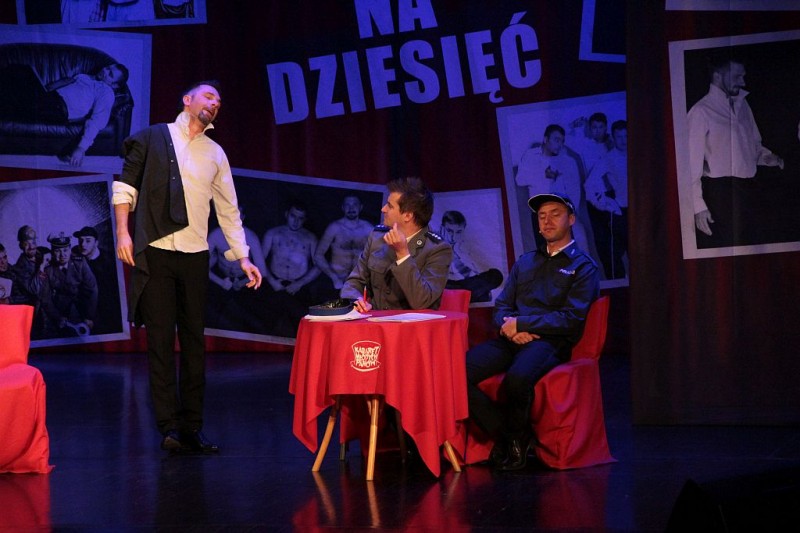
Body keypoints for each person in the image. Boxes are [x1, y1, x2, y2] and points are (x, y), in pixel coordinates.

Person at [112, 79, 262, 454]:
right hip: (157, 252)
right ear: (187, 100)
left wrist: (243, 256)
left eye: (219, 100)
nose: (215, 102)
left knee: (194, 342)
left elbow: (228, 210)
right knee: (160, 342)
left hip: (195, 256)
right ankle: (169, 428)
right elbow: (125, 187)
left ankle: (192, 426)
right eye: (209, 95)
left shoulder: (215, 153)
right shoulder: (154, 138)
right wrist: (122, 233)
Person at [466, 193, 599, 471]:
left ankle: (514, 441)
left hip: (550, 342)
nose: (547, 221)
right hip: (511, 337)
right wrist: (511, 329)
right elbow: (502, 305)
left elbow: (571, 318)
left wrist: (523, 324)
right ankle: (507, 435)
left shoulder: (583, 267)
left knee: (517, 379)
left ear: (571, 219)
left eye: (555, 214)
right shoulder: (525, 262)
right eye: (542, 216)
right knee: (456, 373)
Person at [688, 53, 784, 248]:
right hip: (721, 196)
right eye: (737, 76)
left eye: (743, 76)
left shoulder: (743, 104)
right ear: (717, 76)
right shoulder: (701, 111)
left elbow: (754, 145)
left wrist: (767, 157)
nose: (743, 82)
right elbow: (689, 164)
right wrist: (698, 207)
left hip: (750, 190)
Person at [341, 177, 453, 312]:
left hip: (413, 324)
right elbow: (354, 282)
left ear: (408, 215)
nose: (383, 209)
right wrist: (355, 300)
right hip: (375, 321)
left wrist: (403, 254)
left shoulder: (438, 249)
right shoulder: (377, 237)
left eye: (390, 206)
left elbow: (421, 301)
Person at [0, 62, 129, 166]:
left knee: (16, 93)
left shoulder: (106, 92)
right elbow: (61, 84)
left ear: (114, 85)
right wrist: (46, 89)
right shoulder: (84, 77)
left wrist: (81, 148)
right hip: (49, 97)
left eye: (110, 74)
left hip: (58, 108)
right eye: (107, 68)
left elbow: (97, 121)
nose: (105, 71)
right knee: (22, 70)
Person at [515, 124, 594, 256]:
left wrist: (570, 211)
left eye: (562, 141)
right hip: (540, 212)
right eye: (557, 140)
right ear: (546, 139)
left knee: (567, 253)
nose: (560, 144)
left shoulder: (567, 161)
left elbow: (574, 189)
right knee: (545, 252)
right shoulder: (531, 155)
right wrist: (542, 174)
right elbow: (519, 180)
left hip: (560, 212)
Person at [261, 201, 321, 337]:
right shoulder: (273, 233)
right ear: (287, 214)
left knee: (301, 328)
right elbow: (260, 260)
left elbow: (319, 266)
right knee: (267, 324)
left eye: (300, 218)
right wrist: (272, 281)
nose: (296, 221)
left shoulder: (310, 238)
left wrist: (300, 283)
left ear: (304, 220)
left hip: (298, 286)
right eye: (293, 216)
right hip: (274, 283)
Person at [206, 208, 267, 333]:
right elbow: (201, 266)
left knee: (249, 317)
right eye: (230, 215)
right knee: (211, 313)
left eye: (237, 215)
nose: (233, 219)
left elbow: (263, 271)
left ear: (242, 217)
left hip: (244, 279)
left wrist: (243, 282)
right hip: (222, 277)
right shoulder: (216, 235)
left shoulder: (250, 237)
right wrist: (220, 282)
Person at [585, 119, 628, 279]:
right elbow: (589, 184)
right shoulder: (608, 158)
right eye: (619, 137)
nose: (623, 140)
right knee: (616, 255)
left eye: (626, 136)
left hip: (641, 210)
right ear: (613, 138)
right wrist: (601, 203)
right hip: (621, 211)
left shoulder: (639, 153)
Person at [313, 195, 374, 299]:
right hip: (336, 280)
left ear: (360, 207)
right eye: (347, 205)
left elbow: (379, 254)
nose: (351, 208)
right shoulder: (334, 228)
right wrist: (333, 277)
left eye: (354, 205)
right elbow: (318, 255)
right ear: (343, 207)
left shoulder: (368, 228)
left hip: (358, 282)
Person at [41, 232, 98, 338]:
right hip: (62, 315)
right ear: (52, 252)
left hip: (83, 310)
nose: (62, 255)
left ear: (70, 250)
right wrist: (57, 317)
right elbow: (46, 299)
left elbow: (92, 289)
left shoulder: (80, 262)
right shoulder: (48, 270)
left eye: (65, 250)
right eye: (57, 251)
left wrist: (89, 316)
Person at [439, 210, 503, 303]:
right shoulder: (432, 244)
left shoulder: (462, 249)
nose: (453, 236)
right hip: (441, 285)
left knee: (496, 275)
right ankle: (470, 296)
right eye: (449, 231)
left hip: (463, 285)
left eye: (458, 232)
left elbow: (469, 275)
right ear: (442, 228)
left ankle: (463, 295)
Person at [72, 225, 121, 334]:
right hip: (85, 311)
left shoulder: (109, 261)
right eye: (80, 240)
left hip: (108, 311)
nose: (83, 244)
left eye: (88, 241)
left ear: (96, 243)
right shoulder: (76, 257)